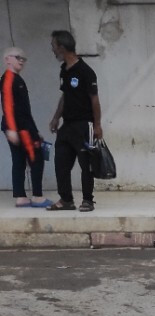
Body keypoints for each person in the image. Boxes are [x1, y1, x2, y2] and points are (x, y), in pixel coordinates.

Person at [47, 29, 102, 212]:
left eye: (54, 46)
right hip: (67, 125)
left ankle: (88, 200)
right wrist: (56, 117)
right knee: (60, 161)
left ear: (62, 47)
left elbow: (94, 99)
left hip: (83, 124)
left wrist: (97, 125)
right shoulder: (64, 70)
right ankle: (66, 199)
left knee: (85, 164)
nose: (53, 50)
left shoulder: (86, 72)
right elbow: (65, 96)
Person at [1, 47, 51, 208]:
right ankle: (37, 197)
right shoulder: (9, 78)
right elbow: (7, 105)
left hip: (23, 127)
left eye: (24, 58)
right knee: (36, 159)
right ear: (7, 59)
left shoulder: (15, 79)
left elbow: (23, 109)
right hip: (20, 129)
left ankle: (21, 197)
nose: (21, 60)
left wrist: (35, 130)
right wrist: (11, 128)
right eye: (18, 57)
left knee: (19, 161)